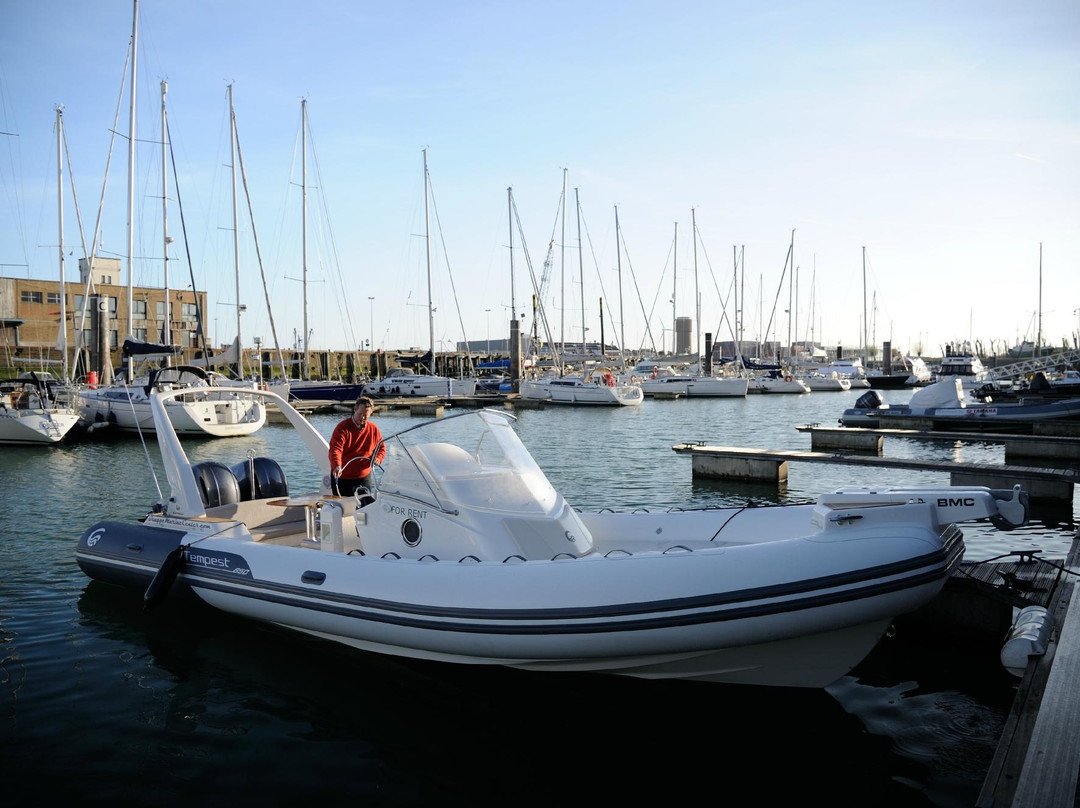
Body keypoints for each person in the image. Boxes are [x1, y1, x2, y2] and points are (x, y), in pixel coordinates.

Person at [329, 396, 386, 500]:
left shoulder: (374, 429)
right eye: (360, 414)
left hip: (364, 477)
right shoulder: (342, 427)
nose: (363, 418)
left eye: (366, 416)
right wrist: (337, 465)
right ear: (355, 409)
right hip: (343, 476)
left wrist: (378, 458)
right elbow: (335, 449)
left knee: (366, 509)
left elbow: (381, 448)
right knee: (343, 509)